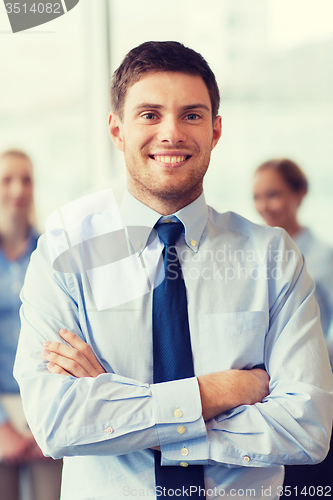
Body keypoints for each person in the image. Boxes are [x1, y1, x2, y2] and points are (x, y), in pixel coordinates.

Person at [14, 42, 333, 500]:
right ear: (116, 129)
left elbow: (306, 429)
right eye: (149, 114)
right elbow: (58, 423)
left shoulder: (273, 257)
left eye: (192, 115)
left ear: (215, 130)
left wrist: (118, 409)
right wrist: (218, 392)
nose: (171, 133)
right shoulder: (64, 257)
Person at [253, 157, 333, 496]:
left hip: (311, 387)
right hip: (261, 394)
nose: (264, 206)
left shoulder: (323, 258)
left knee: (308, 485)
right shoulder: (255, 255)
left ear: (299, 194)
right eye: (257, 197)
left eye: (273, 194)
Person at [0, 149, 63, 500]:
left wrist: (54, 415)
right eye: (7, 179)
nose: (17, 189)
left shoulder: (51, 252)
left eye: (25, 179)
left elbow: (65, 331)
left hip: (44, 403)